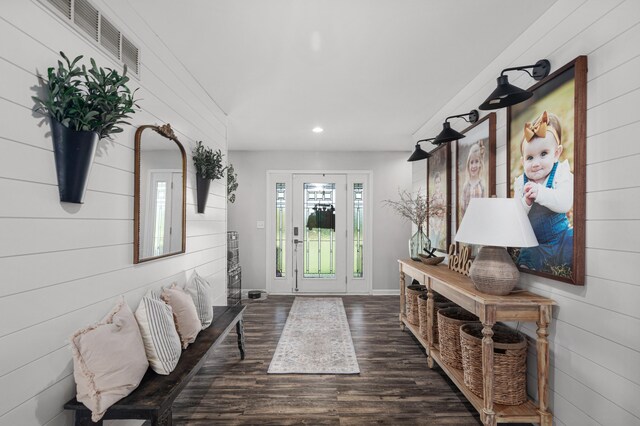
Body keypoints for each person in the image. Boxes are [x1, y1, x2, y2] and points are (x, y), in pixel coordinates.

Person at [513, 111, 573, 273]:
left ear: (556, 153)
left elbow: (565, 203)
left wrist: (540, 193)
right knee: (527, 258)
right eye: (530, 158)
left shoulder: (560, 172)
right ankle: (530, 264)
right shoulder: (521, 183)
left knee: (574, 241)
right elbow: (516, 217)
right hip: (536, 243)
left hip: (561, 237)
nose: (536, 163)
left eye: (543, 154)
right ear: (522, 161)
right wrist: (526, 203)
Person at [460, 140, 485, 220]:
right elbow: (462, 207)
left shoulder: (482, 185)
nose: (474, 166)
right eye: (471, 162)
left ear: (480, 164)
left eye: (476, 162)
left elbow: (485, 205)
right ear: (468, 165)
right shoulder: (466, 186)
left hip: (479, 220)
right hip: (468, 221)